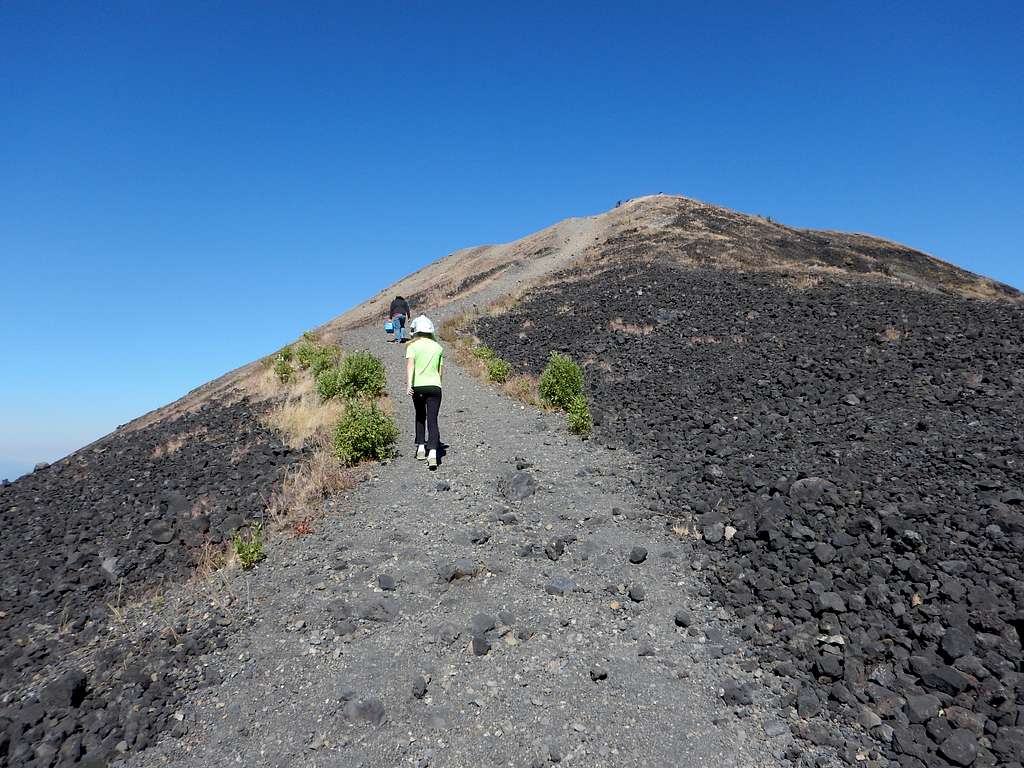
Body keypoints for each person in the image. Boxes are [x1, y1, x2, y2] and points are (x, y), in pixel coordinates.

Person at [405, 315, 443, 468]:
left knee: (420, 416)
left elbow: (410, 367)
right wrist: (437, 384)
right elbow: (440, 372)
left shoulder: (412, 346)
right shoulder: (438, 347)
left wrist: (409, 384)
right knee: (433, 420)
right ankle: (433, 454)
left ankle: (421, 448)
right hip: (435, 386)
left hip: (418, 386)